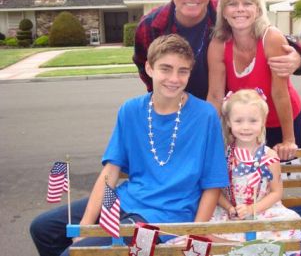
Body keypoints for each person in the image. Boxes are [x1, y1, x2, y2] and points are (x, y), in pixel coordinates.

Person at [30, 34, 229, 256]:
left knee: (76, 254)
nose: (174, 78)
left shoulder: (205, 115)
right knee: (42, 228)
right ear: (149, 68)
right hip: (125, 200)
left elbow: (213, 183)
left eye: (183, 71)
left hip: (167, 216)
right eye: (166, 68)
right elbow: (111, 170)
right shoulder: (131, 110)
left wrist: (196, 232)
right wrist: (86, 226)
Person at [133, 0, 301, 100]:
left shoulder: (229, 14)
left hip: (225, 111)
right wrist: (162, 91)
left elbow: (269, 33)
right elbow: (143, 65)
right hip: (172, 106)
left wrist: (299, 58)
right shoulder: (150, 27)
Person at [207, 0, 301, 162]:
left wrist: (289, 140)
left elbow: (280, 92)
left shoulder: (271, 37)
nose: (240, 9)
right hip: (244, 122)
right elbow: (215, 95)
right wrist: (204, 135)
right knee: (245, 176)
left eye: (247, 4)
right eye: (232, 4)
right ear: (224, 12)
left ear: (258, 10)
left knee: (281, 177)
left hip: (279, 120)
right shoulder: (218, 44)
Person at [210, 89, 301, 242]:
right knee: (212, 232)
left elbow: (276, 192)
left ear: (263, 121)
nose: (246, 127)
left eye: (253, 121)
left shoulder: (269, 156)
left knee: (288, 227)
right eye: (239, 121)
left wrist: (252, 209)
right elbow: (216, 190)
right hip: (230, 212)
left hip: (262, 210)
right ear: (228, 122)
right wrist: (229, 208)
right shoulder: (223, 155)